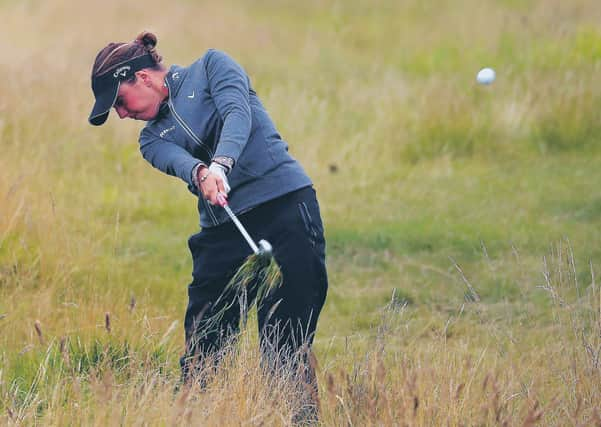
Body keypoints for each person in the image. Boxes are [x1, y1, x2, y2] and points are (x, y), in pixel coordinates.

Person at [88, 31, 328, 417]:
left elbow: (238, 114)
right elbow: (179, 161)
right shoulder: (150, 140)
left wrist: (222, 164)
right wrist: (202, 173)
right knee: (205, 345)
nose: (121, 114)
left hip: (286, 208)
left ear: (142, 77)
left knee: (285, 339)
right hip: (224, 233)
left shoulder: (213, 66)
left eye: (119, 101)